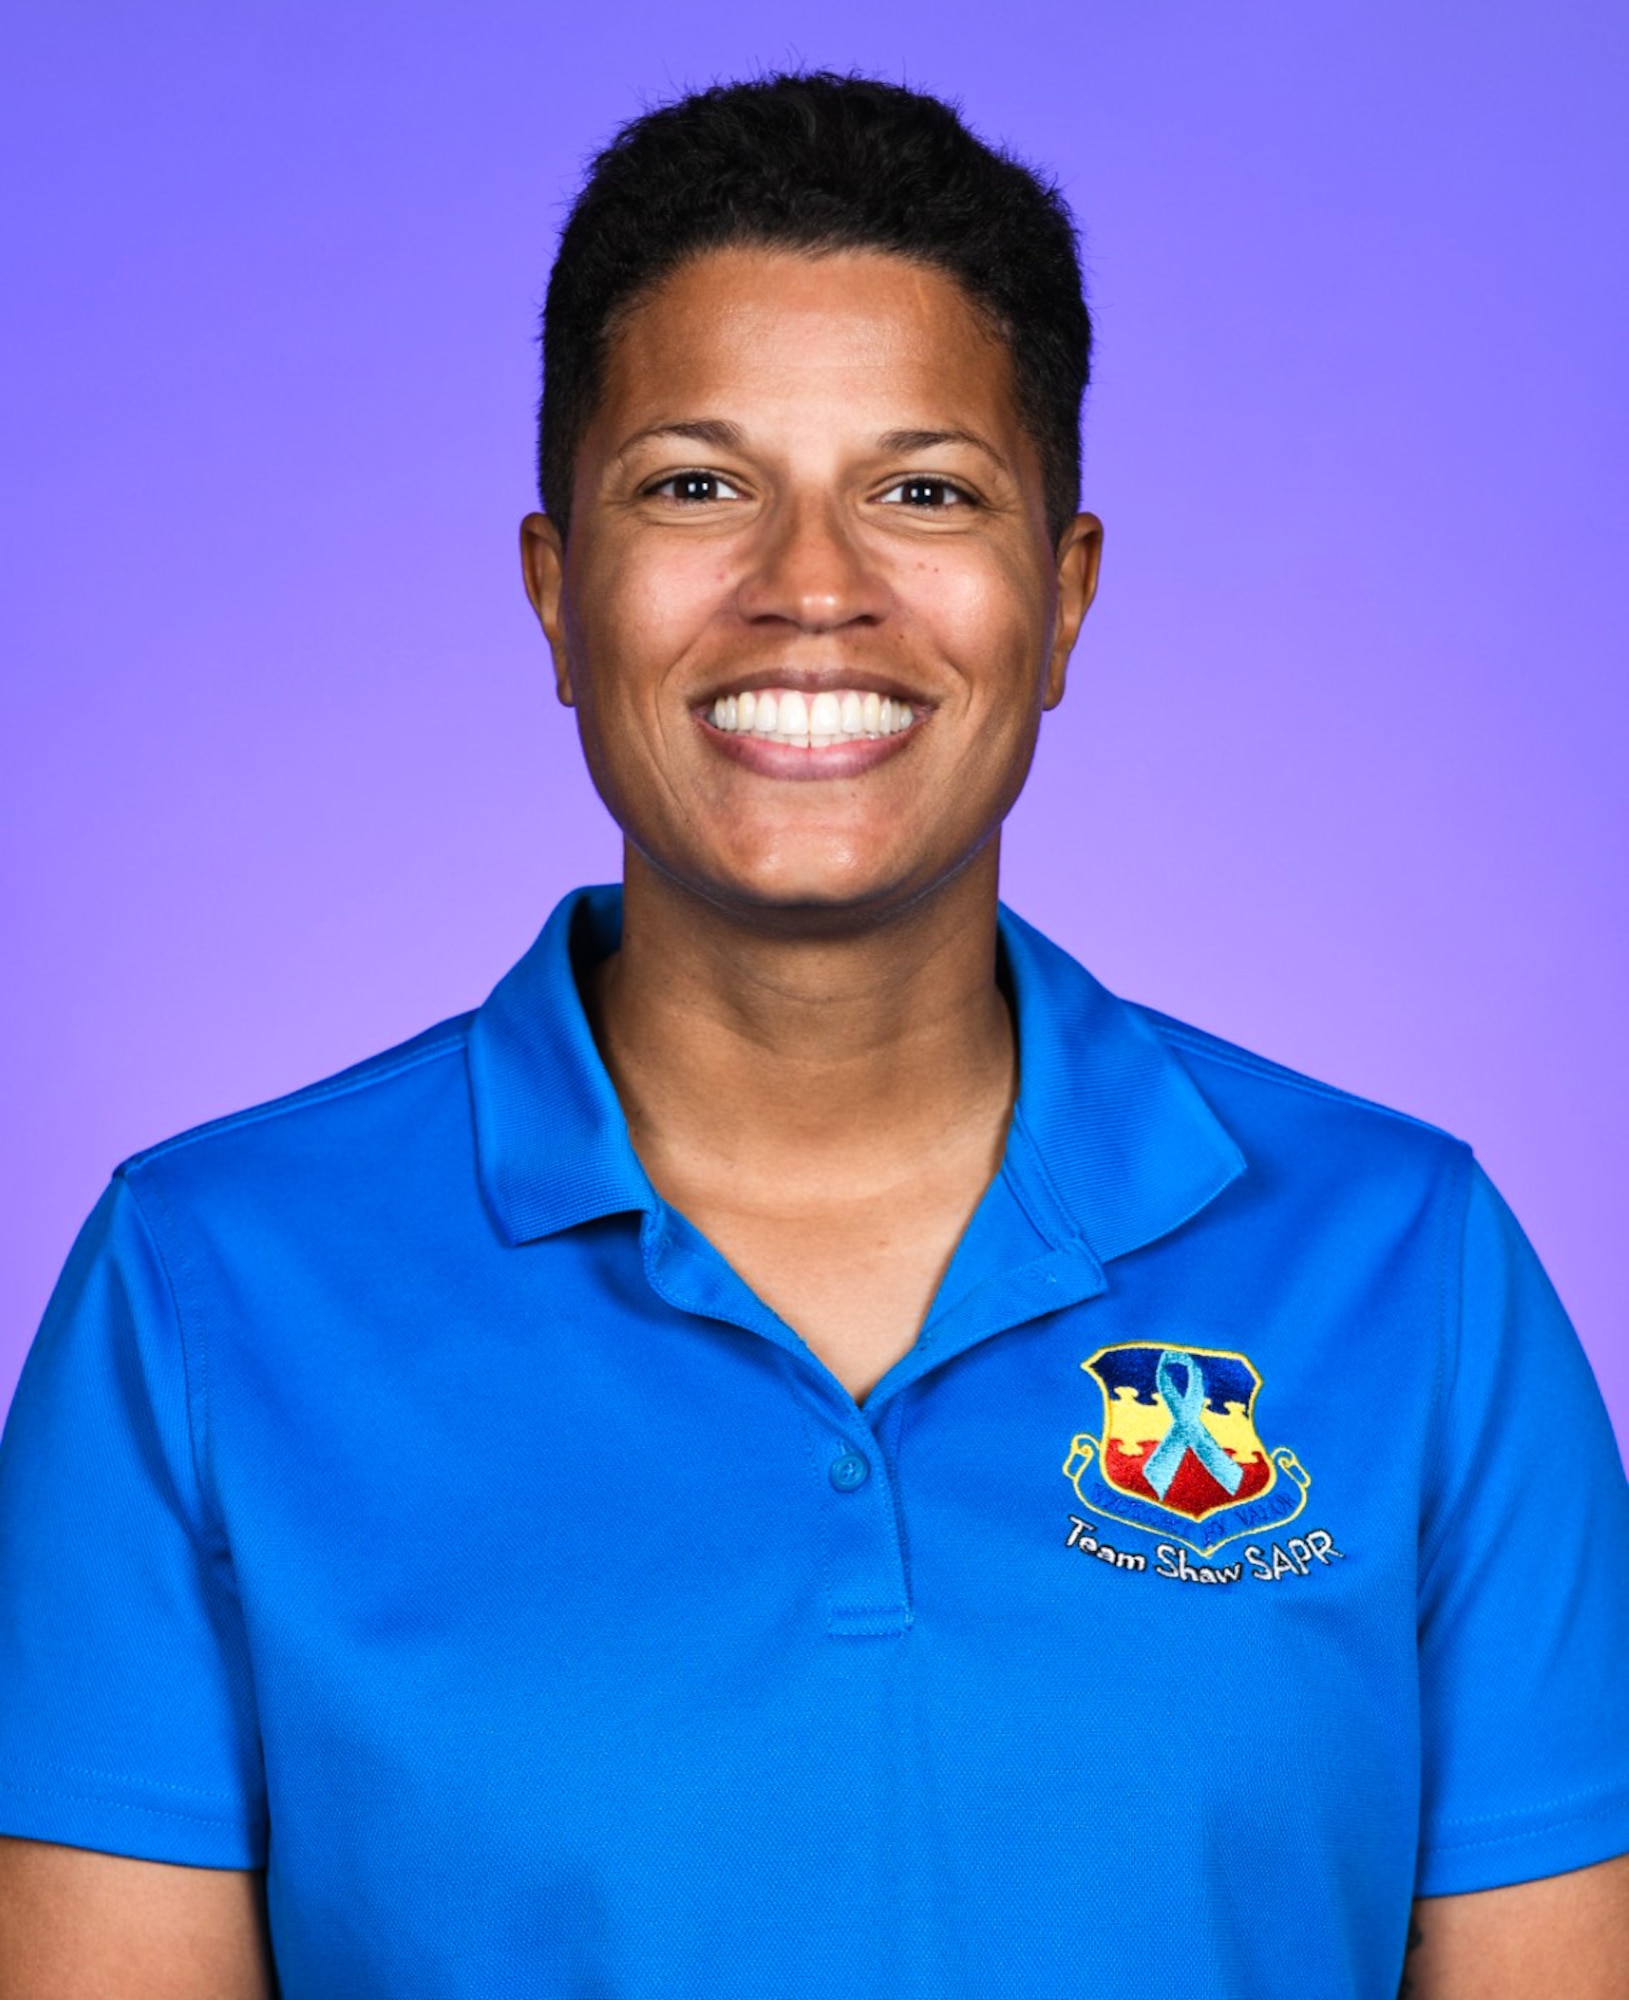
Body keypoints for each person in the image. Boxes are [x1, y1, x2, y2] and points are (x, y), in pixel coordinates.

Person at [0, 70, 1625, 2000]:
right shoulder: (200, 1294)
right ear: (552, 588)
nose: (811, 590)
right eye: (696, 484)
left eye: (922, 491)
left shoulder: (1407, 1271)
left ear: (1064, 596)